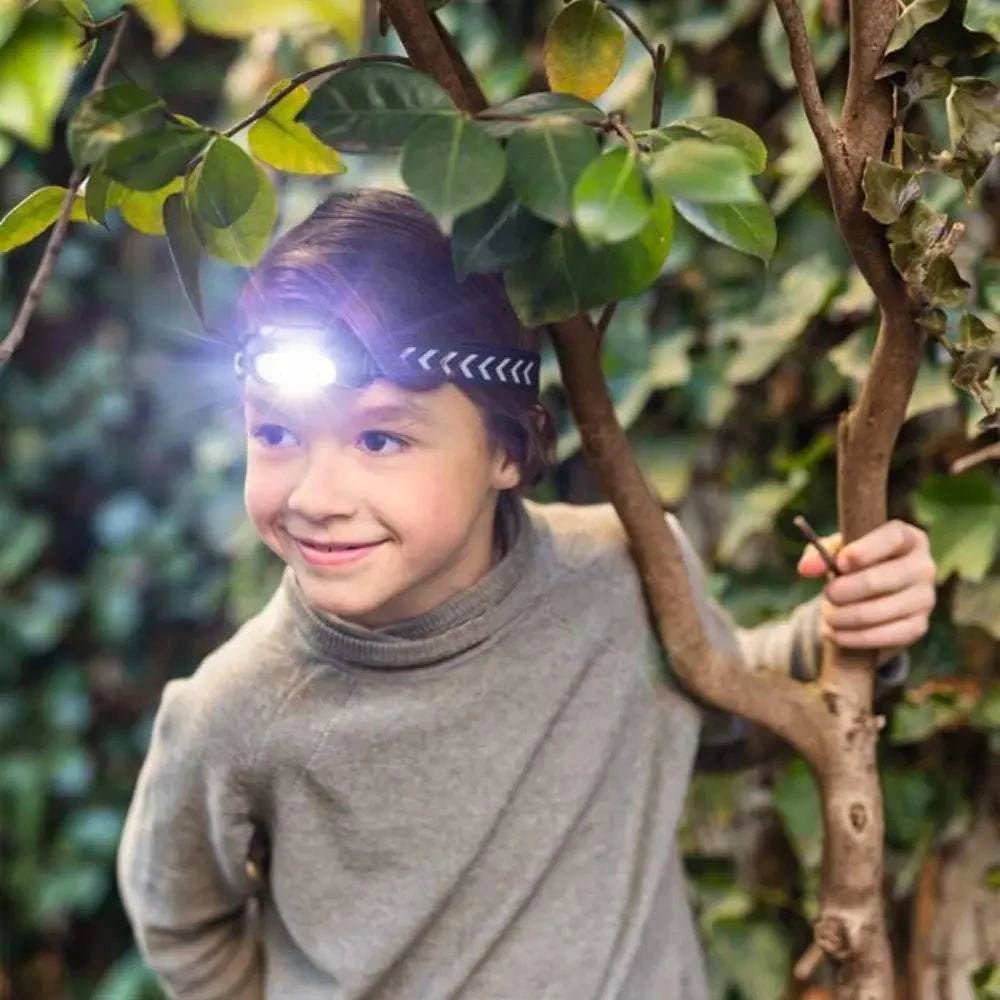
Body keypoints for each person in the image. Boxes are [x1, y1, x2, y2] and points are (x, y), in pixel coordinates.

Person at [116, 188, 936, 999]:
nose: (315, 495)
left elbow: (725, 705)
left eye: (380, 438)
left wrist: (855, 622)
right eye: (275, 432)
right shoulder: (235, 713)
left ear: (507, 448)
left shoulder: (622, 575)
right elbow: (182, 927)